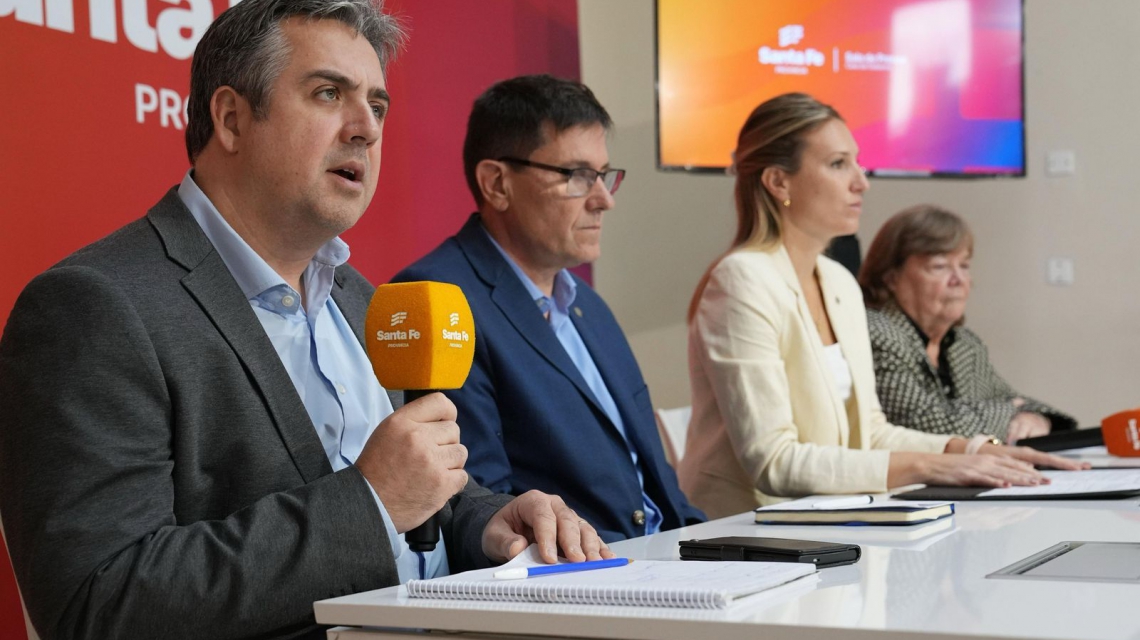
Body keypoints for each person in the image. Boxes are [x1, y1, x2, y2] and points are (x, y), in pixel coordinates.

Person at [0, 3, 608, 638]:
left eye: (377, 105)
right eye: (329, 93)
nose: (366, 129)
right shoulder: (93, 306)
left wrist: (487, 521)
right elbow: (98, 602)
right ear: (231, 118)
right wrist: (369, 503)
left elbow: (418, 500)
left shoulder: (366, 301)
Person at [676, 93, 1084, 519]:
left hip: (826, 519)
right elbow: (775, 462)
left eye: (857, 162)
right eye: (838, 164)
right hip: (740, 530)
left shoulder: (838, 281)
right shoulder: (743, 279)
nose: (861, 182)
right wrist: (934, 465)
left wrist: (972, 450)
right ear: (779, 182)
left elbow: (870, 433)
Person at [392, 75, 705, 542]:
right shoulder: (440, 303)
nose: (604, 200)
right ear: (497, 184)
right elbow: (479, 504)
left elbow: (661, 491)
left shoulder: (588, 306)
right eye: (577, 176)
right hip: (583, 570)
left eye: (604, 175)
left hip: (667, 558)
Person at [859, 204, 1077, 443]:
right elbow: (920, 423)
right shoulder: (877, 332)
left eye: (964, 266)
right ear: (891, 278)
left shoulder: (963, 344)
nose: (959, 280)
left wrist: (1036, 418)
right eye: (940, 266)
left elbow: (1009, 397)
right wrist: (1011, 412)